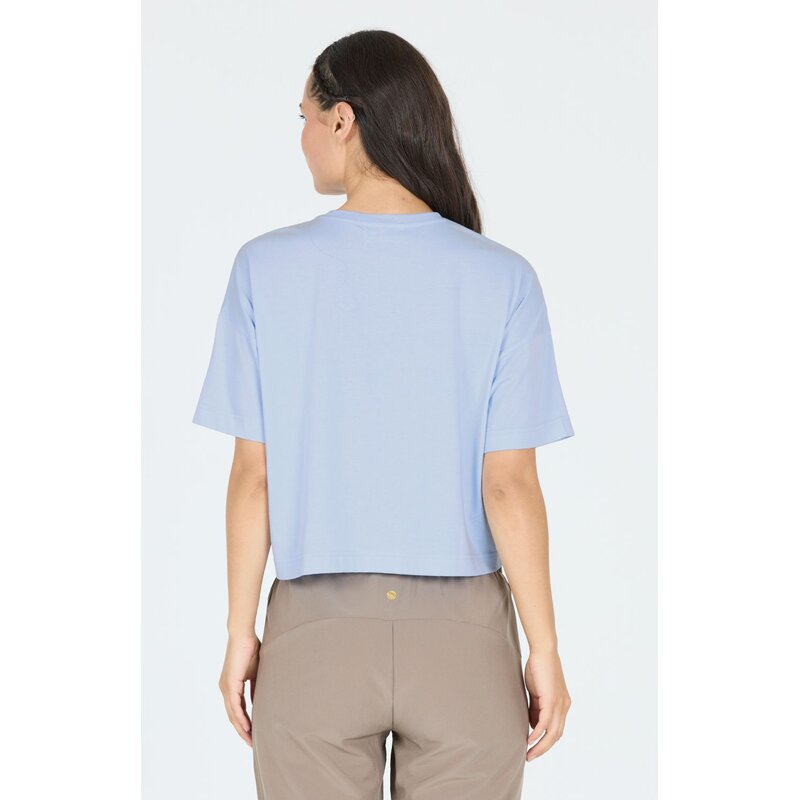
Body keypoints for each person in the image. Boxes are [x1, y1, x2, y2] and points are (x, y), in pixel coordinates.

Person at [193, 28, 575, 800]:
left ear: (343, 119)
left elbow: (254, 477)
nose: (302, 136)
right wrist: (544, 648)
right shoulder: (503, 278)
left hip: (315, 635)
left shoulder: (264, 269)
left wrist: (240, 632)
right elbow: (508, 486)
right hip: (465, 644)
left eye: (304, 116)